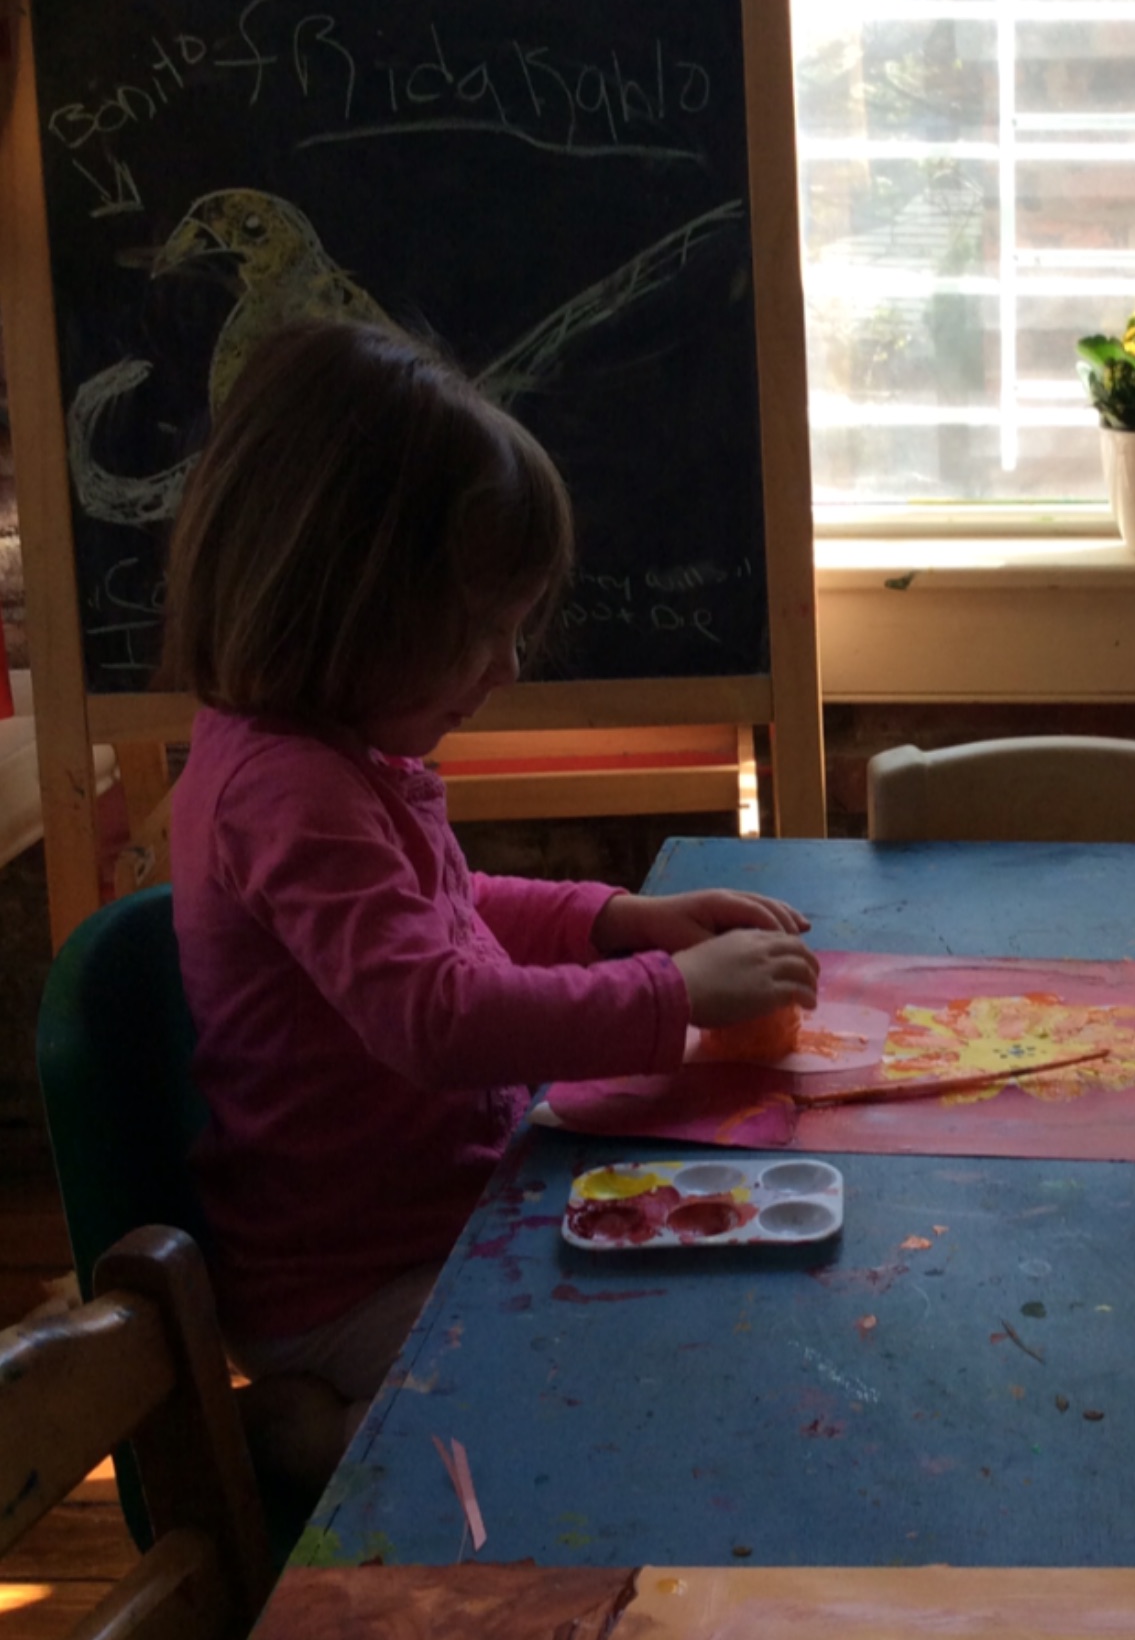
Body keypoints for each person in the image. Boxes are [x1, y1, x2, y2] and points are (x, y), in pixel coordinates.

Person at [163, 318, 818, 1493]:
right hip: (353, 1273)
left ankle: (342, 1418)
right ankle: (325, 1438)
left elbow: (451, 905)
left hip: (441, 1205)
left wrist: (616, 922)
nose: (508, 671)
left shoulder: (338, 751)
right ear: (346, 610)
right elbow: (440, 1017)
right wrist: (670, 993)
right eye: (479, 635)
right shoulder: (288, 790)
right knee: (593, 1406)